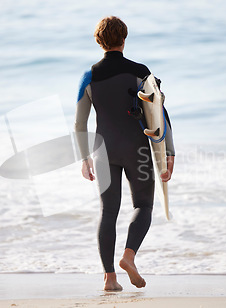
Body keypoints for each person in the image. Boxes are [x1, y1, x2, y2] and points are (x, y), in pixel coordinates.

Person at [74, 16, 175, 291]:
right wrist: (169, 152)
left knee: (108, 212)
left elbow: (79, 124)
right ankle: (129, 256)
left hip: (103, 151)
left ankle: (109, 278)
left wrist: (84, 159)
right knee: (143, 206)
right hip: (138, 150)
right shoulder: (141, 71)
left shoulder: (88, 76)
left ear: (99, 41)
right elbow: (159, 113)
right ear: (124, 38)